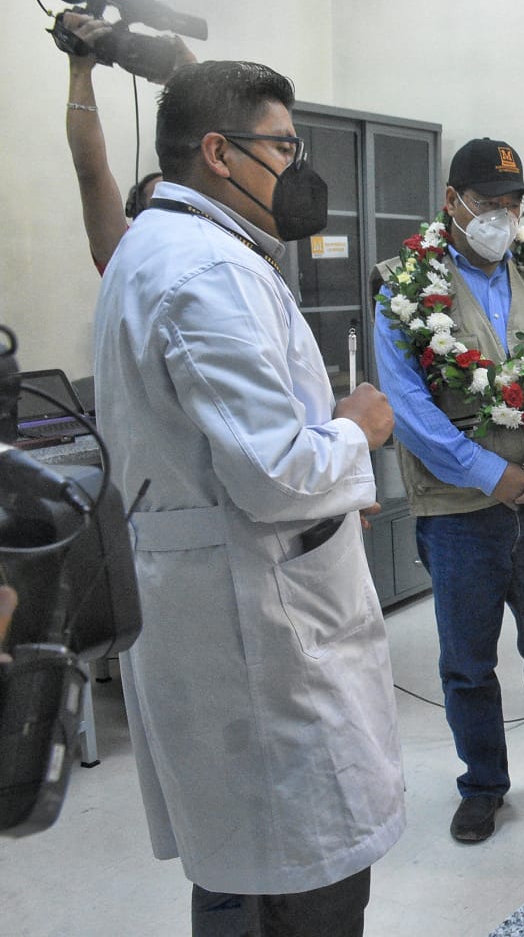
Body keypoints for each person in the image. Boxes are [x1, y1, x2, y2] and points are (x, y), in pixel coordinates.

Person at [91, 60, 403, 936]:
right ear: (221, 153)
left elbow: (226, 450)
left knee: (242, 867)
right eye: (283, 146)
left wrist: (333, 480)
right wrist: (359, 432)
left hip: (218, 593)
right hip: (260, 628)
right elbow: (272, 475)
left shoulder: (163, 248)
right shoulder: (208, 273)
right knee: (303, 872)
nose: (296, 169)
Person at [372, 138, 524, 846]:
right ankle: (482, 784)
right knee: (467, 665)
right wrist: (493, 475)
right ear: (452, 203)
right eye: (489, 204)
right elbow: (409, 410)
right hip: (459, 514)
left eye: (515, 205)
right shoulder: (404, 286)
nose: (504, 218)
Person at [61, 11, 193, 271]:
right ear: (138, 214)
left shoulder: (215, 249)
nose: (171, 207)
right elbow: (91, 172)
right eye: (159, 200)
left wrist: (191, 78)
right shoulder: (126, 256)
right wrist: (80, 71)